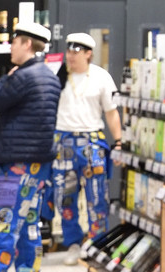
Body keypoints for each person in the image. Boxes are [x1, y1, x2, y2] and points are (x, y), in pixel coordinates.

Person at [0, 20, 61, 272]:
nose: (11, 47)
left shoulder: (21, 77)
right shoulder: (50, 77)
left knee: (1, 227)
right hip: (39, 167)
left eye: (14, 42)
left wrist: (6, 78)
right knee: (29, 227)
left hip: (13, 168)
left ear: (27, 44)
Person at [52, 32, 123, 264]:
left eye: (76, 52)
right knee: (65, 198)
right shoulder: (58, 75)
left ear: (88, 54)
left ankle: (96, 244)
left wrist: (119, 141)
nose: (70, 56)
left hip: (92, 143)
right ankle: (73, 243)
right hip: (63, 142)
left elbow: (111, 113)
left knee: (97, 197)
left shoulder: (101, 77)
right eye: (68, 51)